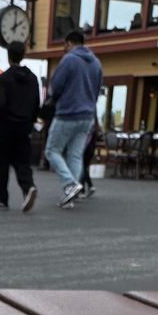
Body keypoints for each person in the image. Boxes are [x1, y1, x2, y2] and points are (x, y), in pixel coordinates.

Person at [44, 30, 103, 209]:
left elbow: (56, 86)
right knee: (75, 155)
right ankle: (70, 196)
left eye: (65, 45)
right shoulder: (96, 63)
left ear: (69, 43)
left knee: (52, 151)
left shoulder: (69, 59)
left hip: (67, 113)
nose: (64, 48)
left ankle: (70, 184)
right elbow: (97, 91)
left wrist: (52, 99)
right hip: (87, 116)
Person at [0, 41, 39, 213]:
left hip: (5, 126)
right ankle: (28, 187)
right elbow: (36, 104)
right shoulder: (33, 79)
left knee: (1, 163)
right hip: (24, 126)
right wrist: (30, 122)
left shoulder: (3, 78)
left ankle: (3, 200)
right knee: (22, 161)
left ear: (8, 55)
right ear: (23, 54)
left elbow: (1, 105)